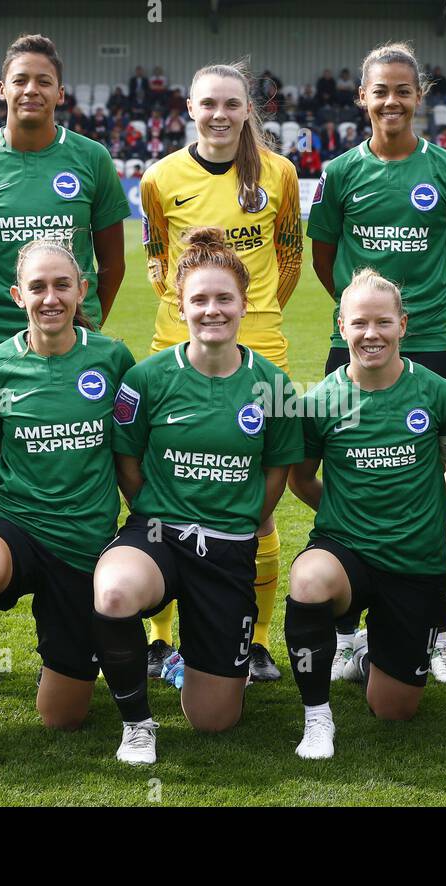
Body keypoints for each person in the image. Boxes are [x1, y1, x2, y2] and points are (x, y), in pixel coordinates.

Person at [0, 33, 130, 684]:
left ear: (60, 91)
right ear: (2, 88)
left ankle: (87, 602)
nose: (31, 89)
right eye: (19, 78)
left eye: (43, 80)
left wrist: (86, 320)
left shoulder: (90, 160)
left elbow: (111, 260)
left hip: (77, 351)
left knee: (85, 468)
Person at [307, 41, 446, 685]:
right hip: (354, 345)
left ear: (420, 95)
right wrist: (366, 319)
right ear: (363, 98)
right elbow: (324, 255)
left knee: (430, 491)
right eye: (379, 90)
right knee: (350, 472)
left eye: (403, 90)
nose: (391, 101)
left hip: (429, 340)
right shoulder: (341, 172)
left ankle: (437, 634)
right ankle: (351, 634)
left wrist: (419, 312)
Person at [93, 227, 303, 764]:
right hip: (159, 534)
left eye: (224, 298)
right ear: (180, 305)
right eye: (200, 300)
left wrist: (251, 520)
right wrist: (155, 510)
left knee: (214, 721)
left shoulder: (273, 384)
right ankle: (138, 725)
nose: (213, 310)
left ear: (244, 302)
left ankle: (197, 659)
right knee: (114, 593)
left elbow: (278, 467)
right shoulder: (147, 378)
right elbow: (128, 460)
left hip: (230, 548)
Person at [0, 239, 136, 774]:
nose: (50, 297)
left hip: (85, 544)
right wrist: (20, 498)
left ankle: (64, 660)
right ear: (18, 295)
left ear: (81, 290)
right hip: (18, 525)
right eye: (38, 287)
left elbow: (127, 451)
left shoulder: (112, 358)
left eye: (62, 285)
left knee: (61, 718)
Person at [137, 62, 303, 682]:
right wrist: (189, 315)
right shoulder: (160, 179)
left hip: (261, 349)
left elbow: (290, 257)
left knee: (255, 503)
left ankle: (255, 640)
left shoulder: (280, 175)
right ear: (188, 107)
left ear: (246, 110)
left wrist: (256, 312)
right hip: (175, 346)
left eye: (232, 104)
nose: (220, 114)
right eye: (208, 103)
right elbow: (158, 257)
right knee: (170, 489)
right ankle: (159, 638)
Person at [285, 270, 446, 759]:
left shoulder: (439, 396)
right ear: (342, 326)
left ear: (403, 326)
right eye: (360, 323)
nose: (372, 334)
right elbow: (301, 479)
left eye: (383, 322)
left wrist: (421, 513)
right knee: (307, 580)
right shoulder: (320, 401)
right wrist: (350, 515)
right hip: (345, 550)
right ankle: (317, 719)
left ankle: (370, 652)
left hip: (414, 560)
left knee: (395, 710)